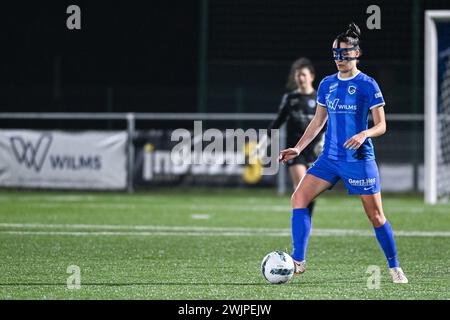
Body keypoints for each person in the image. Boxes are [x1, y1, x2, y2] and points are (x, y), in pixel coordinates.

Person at [278, 22, 408, 284]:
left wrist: (364, 134)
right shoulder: (327, 84)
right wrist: (298, 148)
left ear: (356, 54)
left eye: (345, 54)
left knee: (375, 216)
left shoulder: (367, 85)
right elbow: (317, 122)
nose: (340, 59)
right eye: (336, 54)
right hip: (329, 159)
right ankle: (299, 261)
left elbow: (382, 125)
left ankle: (395, 267)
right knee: (298, 198)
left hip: (358, 160)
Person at [269, 57, 324, 215]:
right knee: (300, 186)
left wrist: (324, 140)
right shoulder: (291, 98)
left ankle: (306, 221)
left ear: (312, 76)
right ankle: (301, 224)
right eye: (297, 75)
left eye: (303, 75)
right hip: (294, 148)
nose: (300, 78)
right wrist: (263, 143)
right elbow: (278, 121)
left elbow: (326, 124)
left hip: (314, 150)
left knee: (311, 192)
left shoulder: (319, 99)